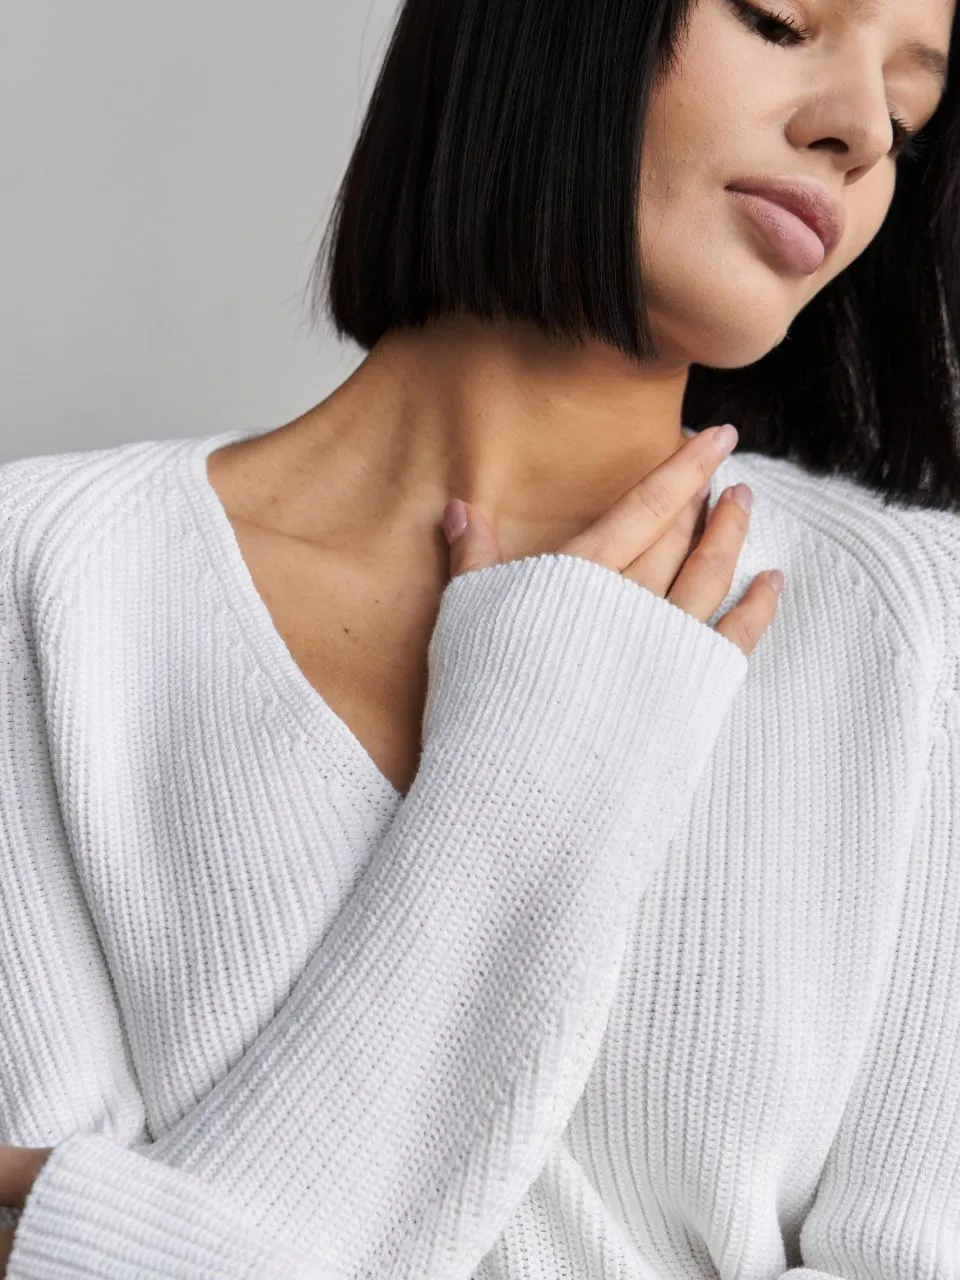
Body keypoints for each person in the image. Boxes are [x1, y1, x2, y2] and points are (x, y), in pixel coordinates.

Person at [1, 0, 959, 1273]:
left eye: (908, 110)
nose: (861, 132)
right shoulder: (44, 580)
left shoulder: (918, 630)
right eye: (777, 18)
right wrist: (530, 766)